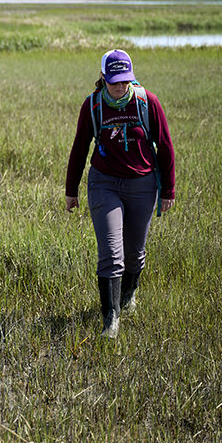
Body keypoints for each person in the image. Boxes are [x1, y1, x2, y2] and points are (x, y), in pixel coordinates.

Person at [65, 49, 176, 338]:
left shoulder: (147, 102)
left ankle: (128, 294)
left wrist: (169, 189)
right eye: (114, 81)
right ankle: (110, 319)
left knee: (134, 252)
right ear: (103, 77)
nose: (120, 86)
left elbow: (164, 146)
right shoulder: (92, 106)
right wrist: (71, 190)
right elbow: (79, 149)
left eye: (124, 80)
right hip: (105, 183)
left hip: (143, 184)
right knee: (111, 253)